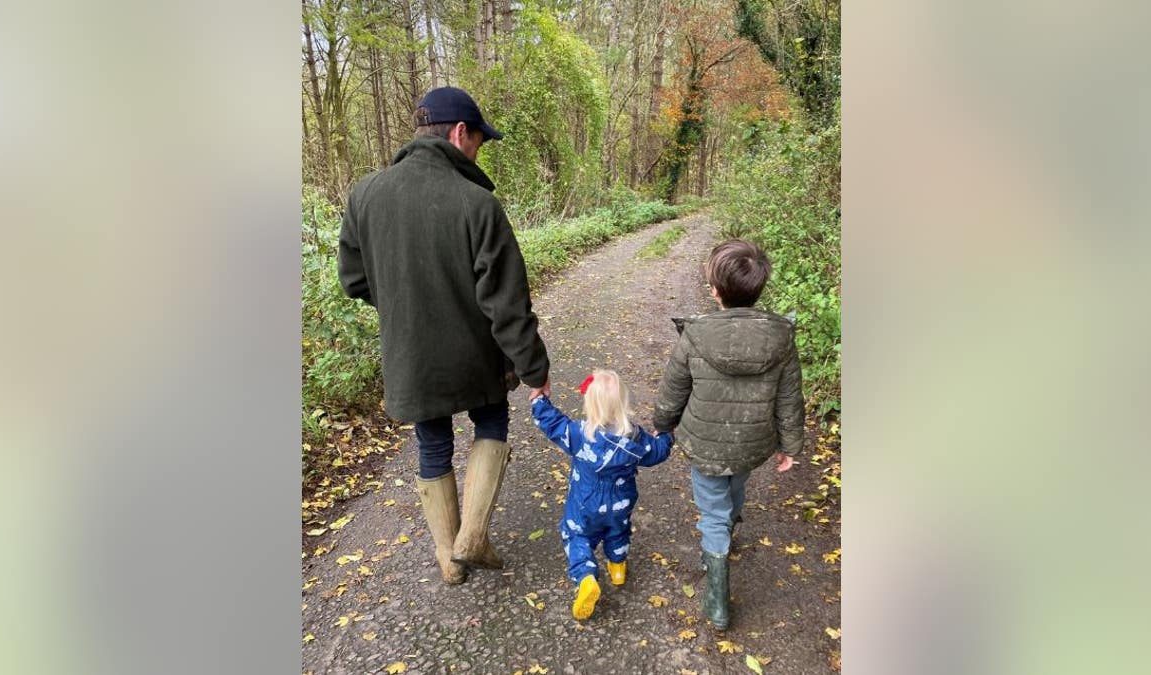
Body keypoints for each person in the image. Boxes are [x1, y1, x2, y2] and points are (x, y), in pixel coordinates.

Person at [338, 86, 551, 586]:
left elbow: (353, 280)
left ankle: (448, 558)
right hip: (475, 354)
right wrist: (532, 368)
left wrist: (401, 304)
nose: (478, 151)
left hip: (410, 354)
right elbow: (507, 302)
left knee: (432, 445)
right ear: (459, 133)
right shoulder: (477, 204)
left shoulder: (364, 194)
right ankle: (473, 535)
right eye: (478, 141)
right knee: (492, 422)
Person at [652, 239, 805, 631]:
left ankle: (718, 598)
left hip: (704, 443)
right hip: (752, 442)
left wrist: (662, 424)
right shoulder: (781, 337)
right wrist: (790, 445)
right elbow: (789, 395)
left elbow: (674, 388)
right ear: (758, 289)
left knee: (712, 511)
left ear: (716, 291)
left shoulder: (696, 335)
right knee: (735, 486)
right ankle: (727, 530)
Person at [530, 369, 674, 620]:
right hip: (621, 501)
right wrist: (666, 436)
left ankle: (586, 578)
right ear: (623, 404)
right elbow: (658, 452)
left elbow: (552, 423)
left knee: (576, 534)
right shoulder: (637, 440)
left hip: (586, 502)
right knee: (617, 530)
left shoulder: (579, 435)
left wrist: (538, 401)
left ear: (590, 404)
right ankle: (617, 567)